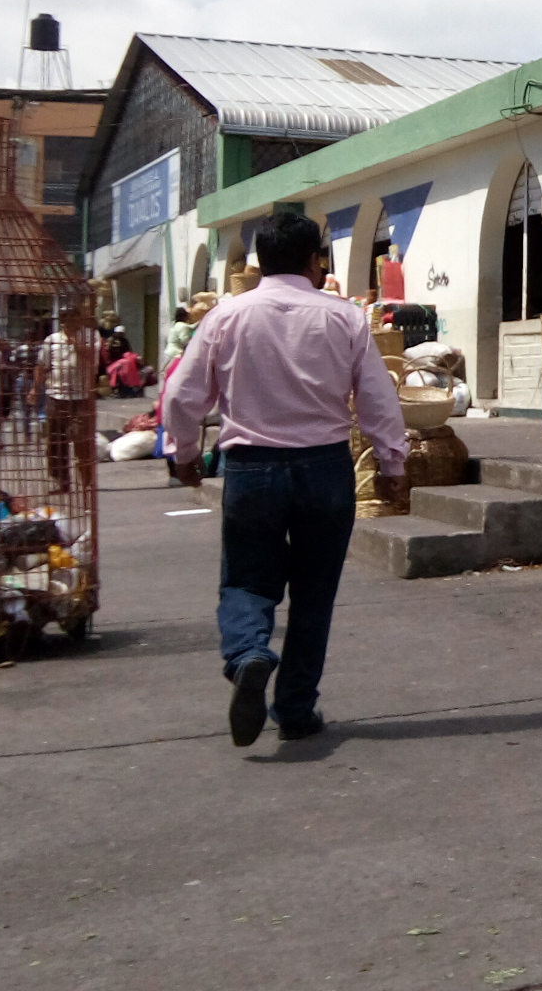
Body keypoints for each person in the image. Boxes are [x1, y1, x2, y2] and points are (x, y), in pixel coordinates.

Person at [163, 210, 409, 748]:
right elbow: (377, 397)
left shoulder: (227, 316)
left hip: (251, 468)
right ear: (315, 261)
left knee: (247, 580)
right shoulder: (344, 318)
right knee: (314, 594)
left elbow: (182, 394)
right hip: (325, 468)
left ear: (260, 262)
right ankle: (295, 708)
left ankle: (249, 653)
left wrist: (184, 453)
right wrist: (392, 464)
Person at [38, 322, 99, 493]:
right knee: (56, 442)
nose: (68, 322)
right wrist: (35, 389)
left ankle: (87, 481)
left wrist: (75, 343)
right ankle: (61, 481)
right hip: (56, 396)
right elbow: (42, 366)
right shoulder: (52, 340)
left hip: (81, 397)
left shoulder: (90, 336)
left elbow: (93, 359)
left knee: (81, 439)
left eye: (73, 317)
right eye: (65, 318)